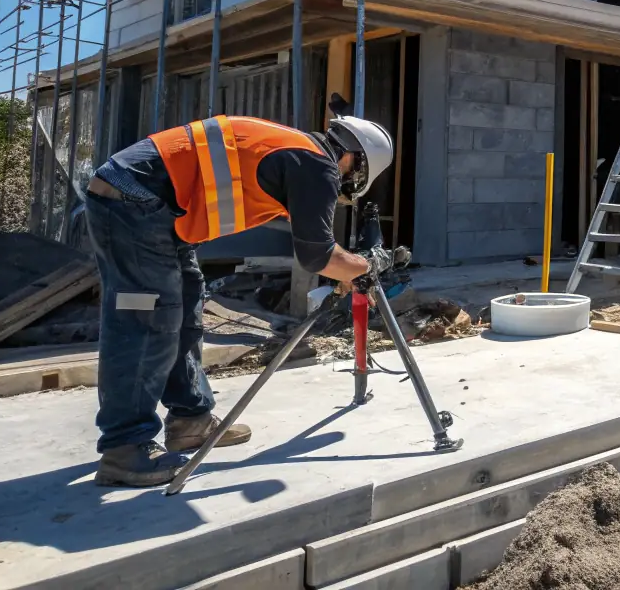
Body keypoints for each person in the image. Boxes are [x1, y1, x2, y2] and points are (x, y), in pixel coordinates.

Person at [84, 112, 395, 488]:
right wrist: (361, 266)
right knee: (147, 321)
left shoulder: (297, 154)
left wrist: (346, 268)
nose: (348, 183)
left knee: (183, 309)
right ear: (355, 161)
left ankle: (190, 420)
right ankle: (124, 448)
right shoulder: (316, 166)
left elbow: (317, 247)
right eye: (354, 176)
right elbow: (316, 256)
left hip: (157, 208)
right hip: (135, 201)